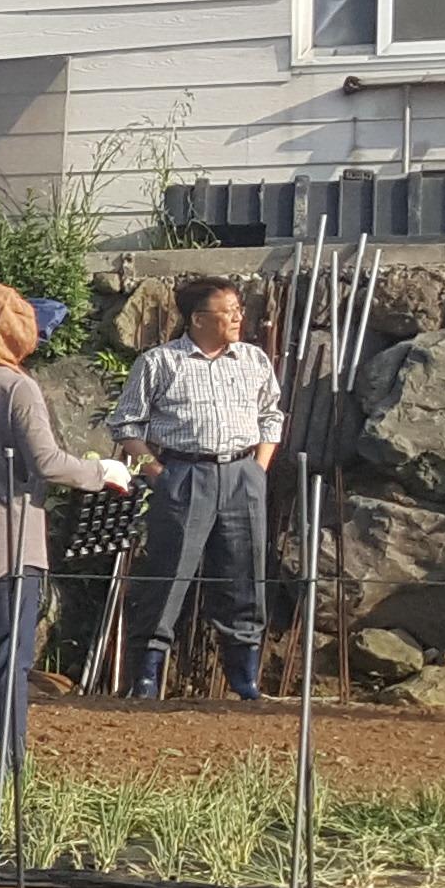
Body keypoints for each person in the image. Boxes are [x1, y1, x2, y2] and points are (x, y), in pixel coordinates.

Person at [0, 282, 134, 768]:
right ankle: (9, 764)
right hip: (11, 548)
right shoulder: (15, 386)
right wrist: (101, 472)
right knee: (7, 665)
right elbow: (48, 463)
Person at [112, 274, 283, 701]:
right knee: (169, 574)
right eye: (228, 312)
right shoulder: (160, 362)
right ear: (198, 318)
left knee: (245, 574)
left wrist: (259, 467)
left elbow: (271, 416)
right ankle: (148, 675)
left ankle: (244, 677)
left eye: (238, 310)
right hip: (185, 473)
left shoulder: (253, 360)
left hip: (243, 472)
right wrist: (156, 471)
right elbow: (125, 424)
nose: (238, 318)